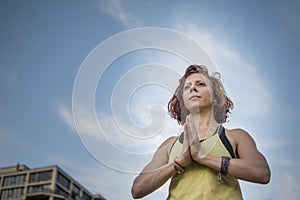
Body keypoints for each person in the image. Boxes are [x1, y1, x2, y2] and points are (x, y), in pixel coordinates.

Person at [131, 64, 270, 199]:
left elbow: (262, 173)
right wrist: (179, 162)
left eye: (201, 84)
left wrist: (204, 158)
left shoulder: (235, 136)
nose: (193, 88)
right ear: (183, 101)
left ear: (215, 97)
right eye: (187, 87)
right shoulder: (169, 144)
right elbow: (137, 190)